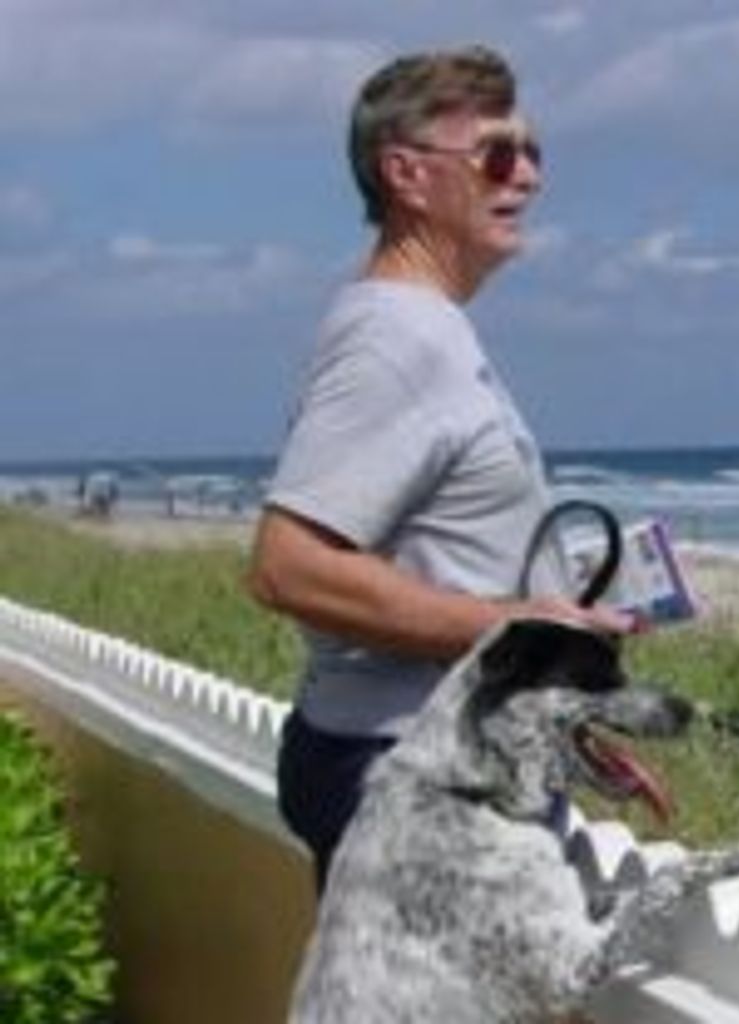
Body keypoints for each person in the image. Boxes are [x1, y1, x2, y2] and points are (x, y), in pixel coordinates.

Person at [247, 44, 630, 892]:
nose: (527, 176)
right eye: (497, 153)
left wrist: (550, 660)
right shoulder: (397, 341)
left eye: (533, 152)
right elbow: (288, 566)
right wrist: (517, 629)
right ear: (407, 175)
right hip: (420, 780)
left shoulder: (423, 329)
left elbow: (436, 554)